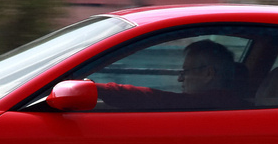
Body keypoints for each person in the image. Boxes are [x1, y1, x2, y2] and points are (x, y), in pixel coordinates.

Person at [94, 39, 247, 110]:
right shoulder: (228, 101)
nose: (180, 79)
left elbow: (155, 99)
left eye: (186, 72)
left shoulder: (212, 104)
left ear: (208, 74)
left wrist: (96, 89)